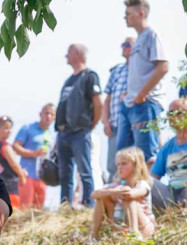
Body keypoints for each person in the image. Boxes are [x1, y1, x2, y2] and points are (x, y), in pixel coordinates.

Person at [117, 0, 168, 164]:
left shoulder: (151, 35)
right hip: (130, 104)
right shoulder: (138, 39)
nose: (125, 17)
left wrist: (141, 95)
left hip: (146, 104)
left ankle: (151, 182)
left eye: (128, 14)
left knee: (147, 155)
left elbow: (163, 67)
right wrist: (129, 93)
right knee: (123, 156)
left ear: (141, 13)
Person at [55, 43, 103, 208]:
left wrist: (91, 125)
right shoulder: (69, 80)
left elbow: (99, 103)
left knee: (85, 171)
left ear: (77, 53)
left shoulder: (90, 76)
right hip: (63, 133)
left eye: (68, 52)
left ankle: (89, 206)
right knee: (64, 174)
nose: (65, 56)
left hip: (80, 132)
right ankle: (65, 207)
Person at [90, 146, 154, 239]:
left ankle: (134, 233)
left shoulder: (142, 184)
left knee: (128, 198)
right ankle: (94, 235)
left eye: (124, 164)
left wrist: (121, 191)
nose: (120, 167)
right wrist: (112, 192)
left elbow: (132, 194)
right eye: (118, 164)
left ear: (136, 166)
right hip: (120, 225)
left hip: (143, 226)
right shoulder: (116, 185)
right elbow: (94, 194)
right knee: (102, 198)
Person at [13, 103, 56, 210]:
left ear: (54, 118)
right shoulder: (28, 128)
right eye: (46, 113)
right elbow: (15, 147)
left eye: (52, 114)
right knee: (25, 208)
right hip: (27, 174)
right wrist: (33, 153)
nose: (48, 116)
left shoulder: (52, 135)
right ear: (40, 114)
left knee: (38, 210)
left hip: (43, 178)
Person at [103, 37, 135, 180]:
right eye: (123, 44)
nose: (124, 47)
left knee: (132, 163)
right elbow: (107, 100)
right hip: (114, 126)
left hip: (132, 126)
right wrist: (105, 122)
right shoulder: (116, 71)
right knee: (113, 165)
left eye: (128, 44)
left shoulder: (140, 69)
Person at [0, 116, 27, 211]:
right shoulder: (6, 146)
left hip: (2, 184)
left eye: (10, 128)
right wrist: (22, 175)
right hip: (10, 186)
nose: (9, 131)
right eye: (6, 128)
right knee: (13, 212)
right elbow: (14, 164)